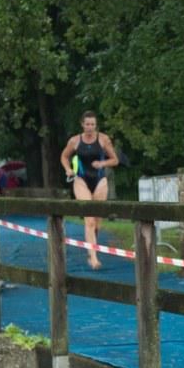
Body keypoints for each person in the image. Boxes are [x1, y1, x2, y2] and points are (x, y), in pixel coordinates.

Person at [60, 110, 119, 269]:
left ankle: (91, 247)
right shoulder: (75, 141)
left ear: (96, 125)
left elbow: (115, 160)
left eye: (93, 124)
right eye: (87, 124)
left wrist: (102, 164)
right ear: (82, 124)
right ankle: (93, 257)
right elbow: (64, 156)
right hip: (81, 180)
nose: (90, 127)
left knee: (97, 223)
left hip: (100, 180)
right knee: (89, 220)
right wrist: (68, 169)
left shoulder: (103, 139)